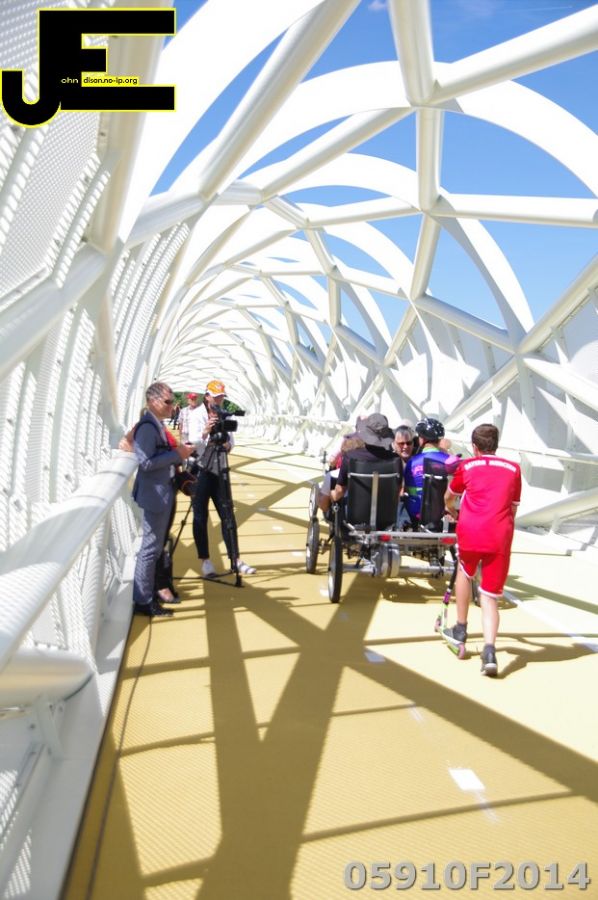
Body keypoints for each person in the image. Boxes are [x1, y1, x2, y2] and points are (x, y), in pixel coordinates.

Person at [443, 423, 522, 676]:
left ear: (474, 447)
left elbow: (449, 496)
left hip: (471, 531)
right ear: (496, 444)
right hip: (499, 536)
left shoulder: (467, 466)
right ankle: (489, 651)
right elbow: (513, 508)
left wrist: (452, 510)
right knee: (489, 596)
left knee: (465, 573)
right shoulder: (514, 469)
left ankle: (460, 628)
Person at [131, 382, 193, 616]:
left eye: (172, 401)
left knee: (155, 547)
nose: (171, 406)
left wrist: (177, 454)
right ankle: (143, 600)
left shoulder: (156, 425)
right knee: (150, 548)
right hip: (155, 495)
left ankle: (148, 595)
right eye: (167, 401)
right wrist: (177, 454)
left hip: (161, 492)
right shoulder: (147, 428)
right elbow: (146, 462)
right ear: (153, 401)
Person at [188, 379, 256, 577]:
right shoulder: (196, 415)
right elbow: (193, 442)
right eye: (215, 397)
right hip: (201, 470)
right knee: (200, 516)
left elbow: (230, 442)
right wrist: (206, 431)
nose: (218, 401)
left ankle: (236, 559)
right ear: (207, 396)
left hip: (220, 469)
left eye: (221, 397)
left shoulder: (224, 415)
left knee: (228, 515)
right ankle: (205, 560)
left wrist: (226, 445)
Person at [330, 413, 399, 505]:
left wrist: (331, 495)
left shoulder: (350, 456)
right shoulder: (395, 459)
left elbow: (339, 491)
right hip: (386, 511)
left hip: (355, 511)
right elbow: (399, 489)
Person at [402, 417, 449, 522]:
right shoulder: (449, 460)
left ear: (422, 439)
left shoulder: (411, 462)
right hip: (442, 515)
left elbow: (406, 489)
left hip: (415, 514)